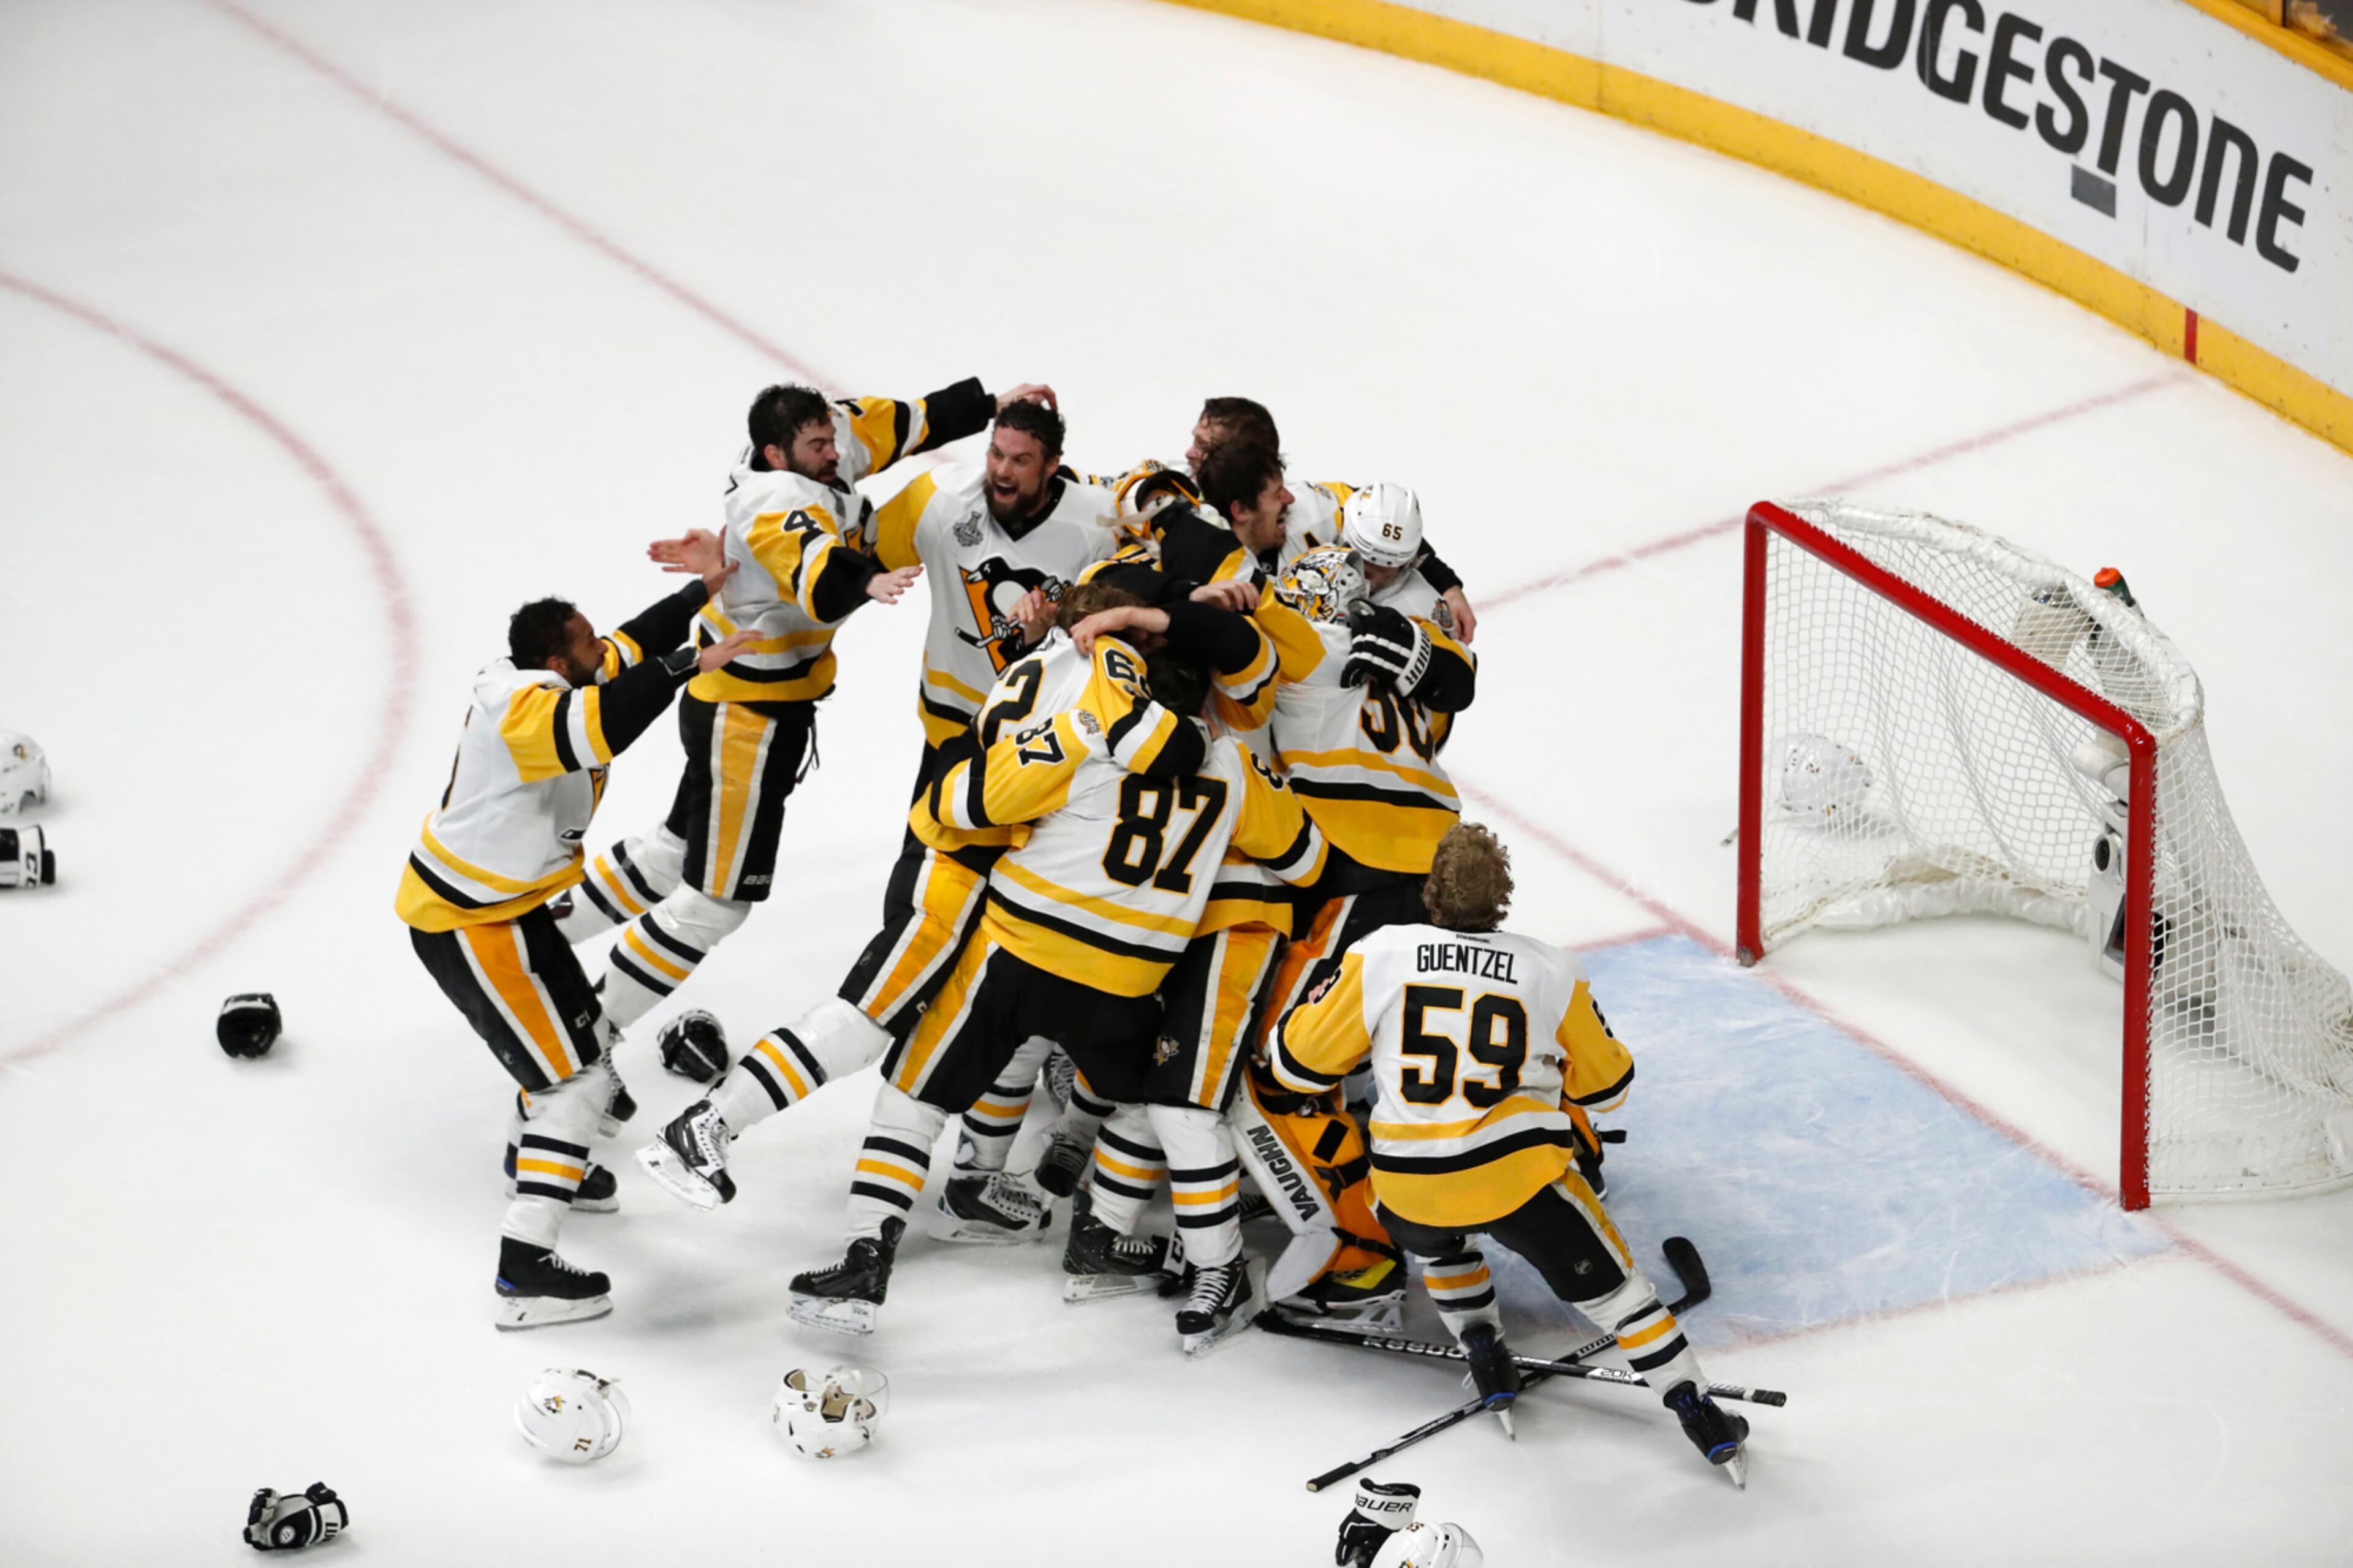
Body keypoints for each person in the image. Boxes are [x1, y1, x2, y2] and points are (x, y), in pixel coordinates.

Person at [787, 643, 1328, 1346]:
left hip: (1019, 960)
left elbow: (959, 805)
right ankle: (1103, 1237)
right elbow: (1306, 859)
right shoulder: (1231, 766)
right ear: (1202, 708)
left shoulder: (1086, 739)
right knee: (1149, 1107)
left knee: (913, 1098)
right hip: (1126, 984)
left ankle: (871, 1257)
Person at [634, 580, 1198, 1213]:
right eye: (1141, 633)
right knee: (867, 1018)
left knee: (927, 1027)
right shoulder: (1105, 669)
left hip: (955, 855)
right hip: (953, 865)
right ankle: (705, 1125)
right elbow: (1144, 749)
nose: (1154, 644)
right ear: (1105, 632)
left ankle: (969, 1186)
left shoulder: (1045, 661)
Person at [559, 376, 1039, 1035]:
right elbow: (815, 570)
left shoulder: (821, 440)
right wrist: (867, 578)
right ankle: (586, 1038)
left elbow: (900, 421)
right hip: (748, 718)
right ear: (776, 453)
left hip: (736, 703)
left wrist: (992, 405)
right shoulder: (772, 497)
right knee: (716, 903)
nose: (834, 453)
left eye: (829, 438)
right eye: (817, 446)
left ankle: (536, 937)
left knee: (675, 850)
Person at [1267, 822, 1748, 1477]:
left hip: (1406, 1189)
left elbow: (1295, 1066)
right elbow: (1609, 1090)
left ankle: (1483, 1345)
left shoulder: (1380, 952)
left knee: (1442, 1236)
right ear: (1504, 898)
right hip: (1520, 1186)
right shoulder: (1550, 968)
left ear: (1430, 892)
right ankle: (1699, 1412)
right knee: (1618, 1297)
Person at [396, 537, 751, 1329]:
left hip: (509, 909)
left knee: (579, 1054)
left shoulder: (563, 672)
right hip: (469, 921)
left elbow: (629, 645)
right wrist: (693, 664)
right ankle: (524, 1266)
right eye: (588, 645)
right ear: (559, 662)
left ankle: (540, 1155)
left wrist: (702, 591)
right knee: (579, 1080)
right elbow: (606, 725)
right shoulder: (524, 709)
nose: (605, 651)